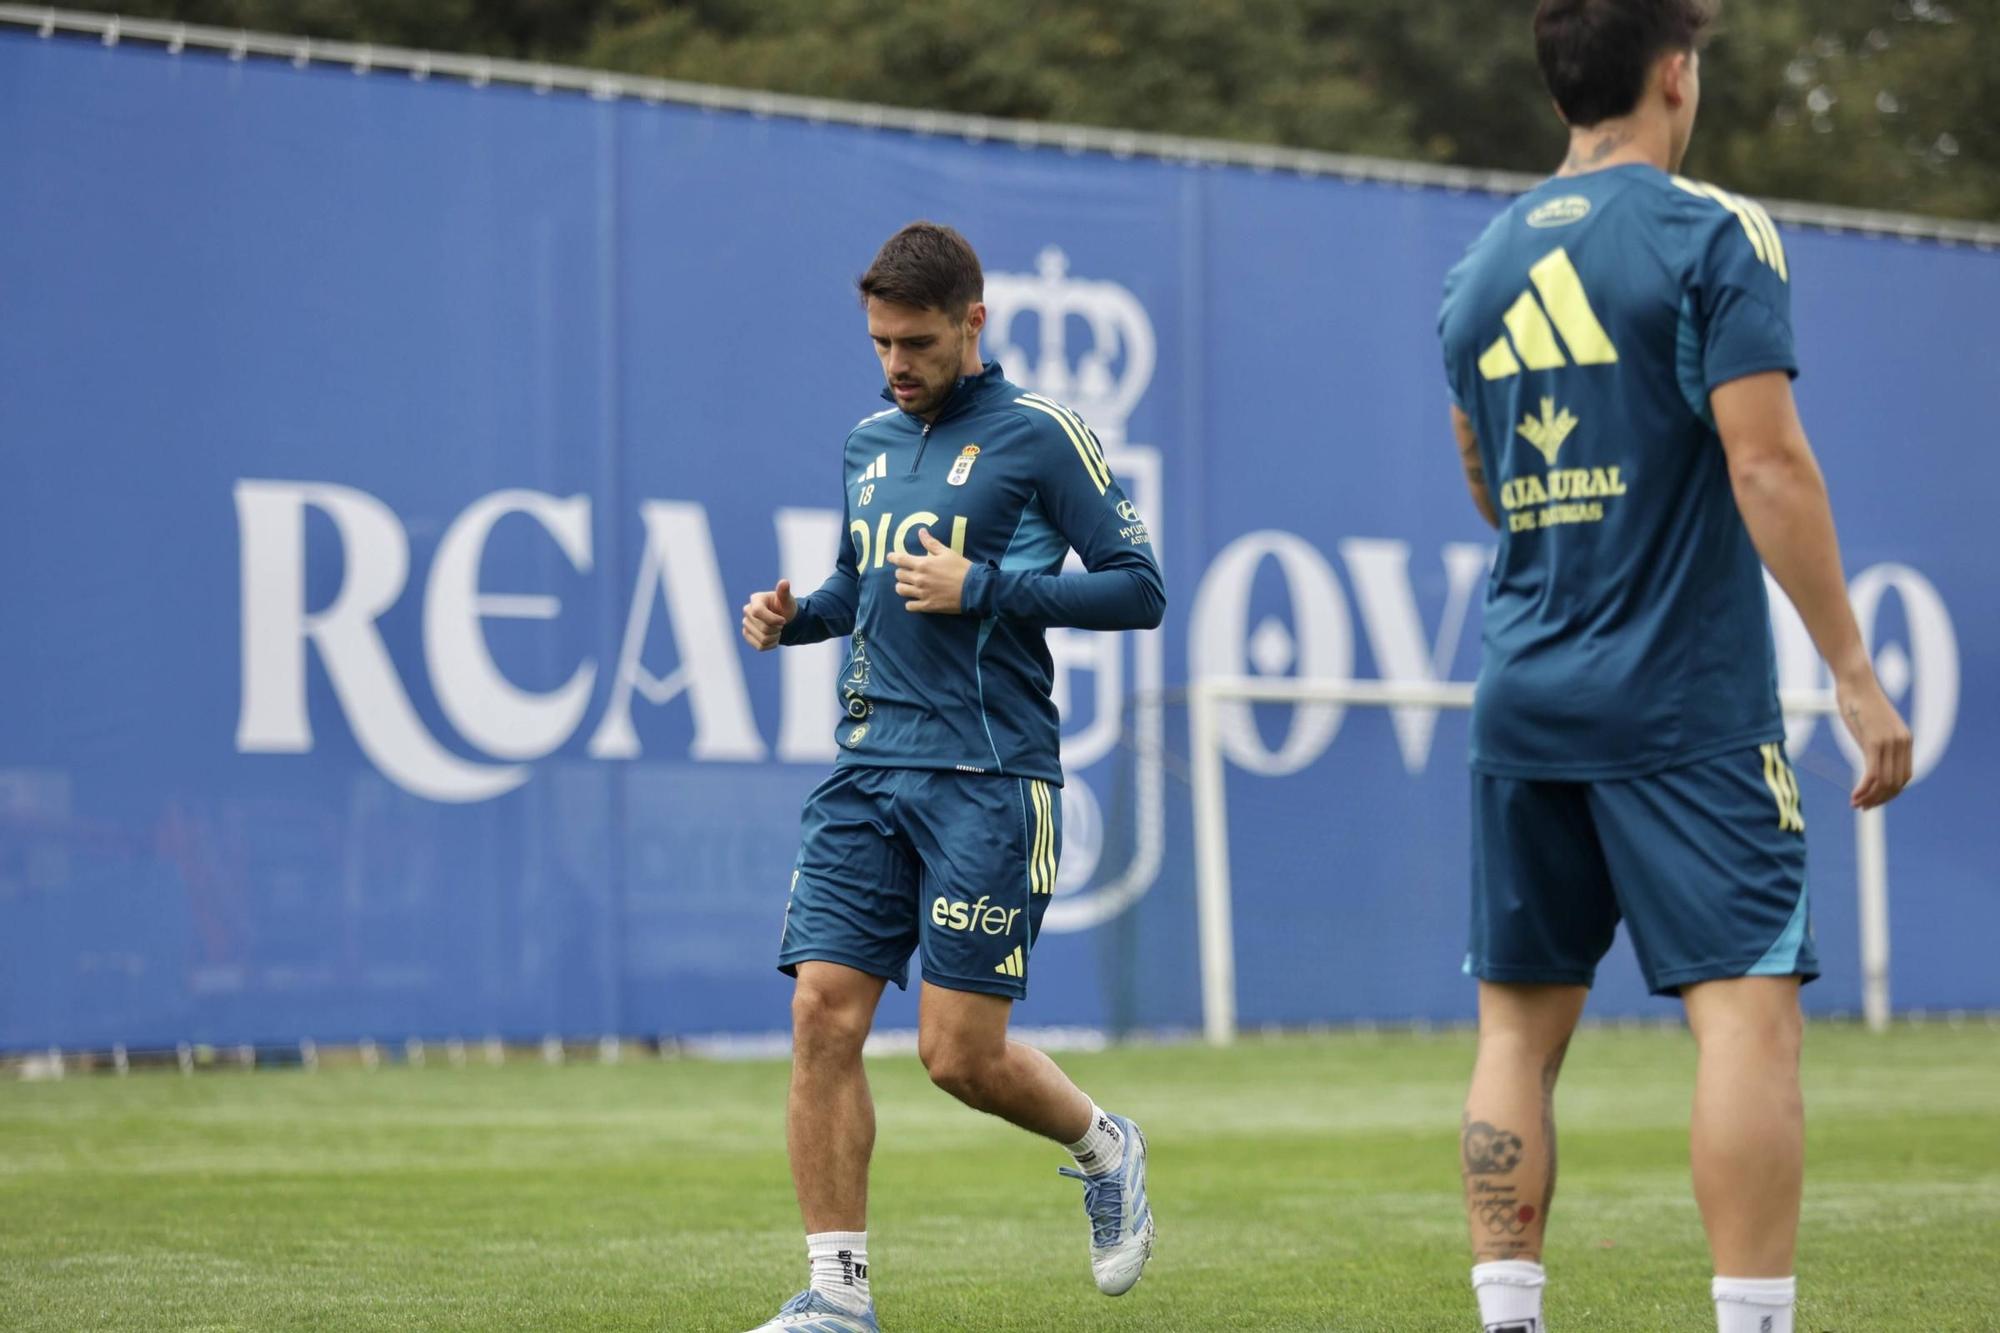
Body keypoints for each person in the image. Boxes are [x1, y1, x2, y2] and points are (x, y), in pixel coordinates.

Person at [1435, 3, 1913, 1331]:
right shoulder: (1713, 231)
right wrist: (1852, 668)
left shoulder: (1476, 269)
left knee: (1518, 1031)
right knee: (1746, 1014)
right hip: (1683, 701)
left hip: (1523, 689)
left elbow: (1488, 485)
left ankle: (1508, 1315)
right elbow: (1765, 459)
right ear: (1673, 73)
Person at [736, 221, 1164, 1332]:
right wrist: (793, 623)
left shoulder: (1041, 436)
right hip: (866, 767)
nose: (895, 364)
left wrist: (988, 590)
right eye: (879, 342)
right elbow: (857, 585)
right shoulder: (867, 440)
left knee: (956, 1057)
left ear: (974, 322)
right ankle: (835, 1298)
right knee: (822, 1017)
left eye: (917, 342)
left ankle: (1104, 1145)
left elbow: (1137, 587)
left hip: (987, 774)